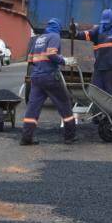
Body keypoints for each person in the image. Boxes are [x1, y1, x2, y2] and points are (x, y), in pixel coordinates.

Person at [21, 18, 77, 146]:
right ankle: (70, 136)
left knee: (33, 108)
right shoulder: (54, 36)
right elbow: (52, 55)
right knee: (64, 103)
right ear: (57, 28)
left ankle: (26, 137)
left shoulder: (38, 39)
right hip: (50, 77)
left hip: (36, 77)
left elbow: (30, 58)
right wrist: (65, 61)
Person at [74, 8, 112, 98]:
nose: (106, 24)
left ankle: (111, 112)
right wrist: (76, 33)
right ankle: (96, 111)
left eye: (107, 22)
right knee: (95, 92)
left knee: (111, 93)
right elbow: (88, 34)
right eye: (104, 22)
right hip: (99, 68)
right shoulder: (98, 30)